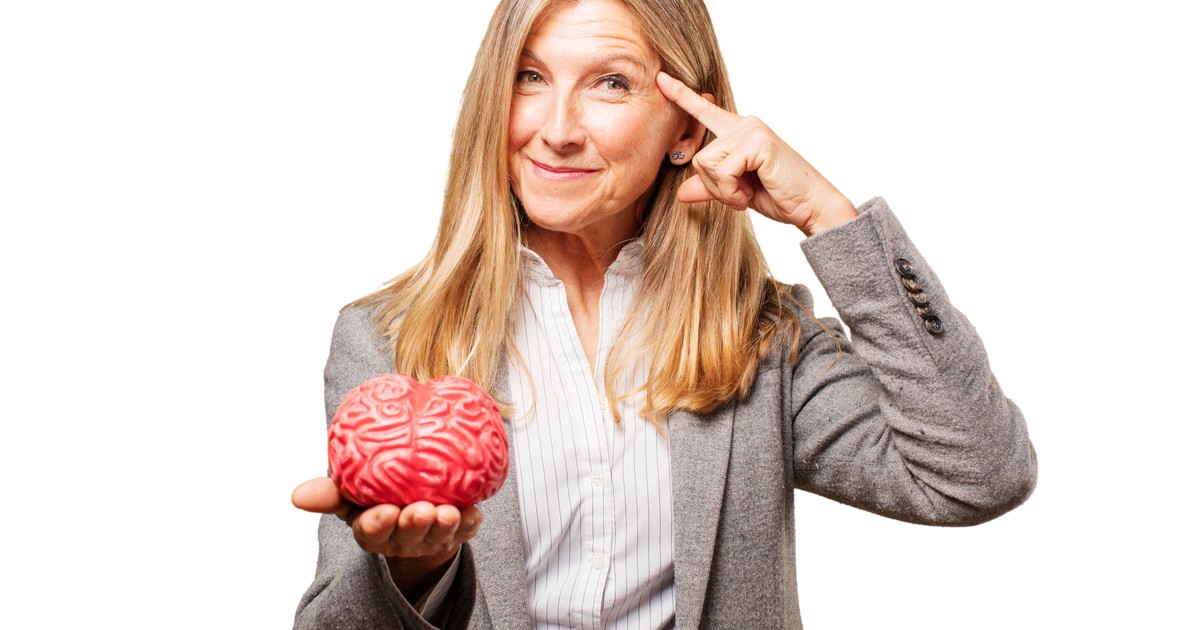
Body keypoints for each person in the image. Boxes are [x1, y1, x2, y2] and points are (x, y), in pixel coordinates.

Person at [291, 0, 1037, 627]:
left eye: (610, 83)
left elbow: (977, 476)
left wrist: (827, 215)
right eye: (529, 77)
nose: (557, 128)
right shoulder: (390, 340)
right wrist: (416, 572)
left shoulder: (759, 340)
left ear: (686, 129)